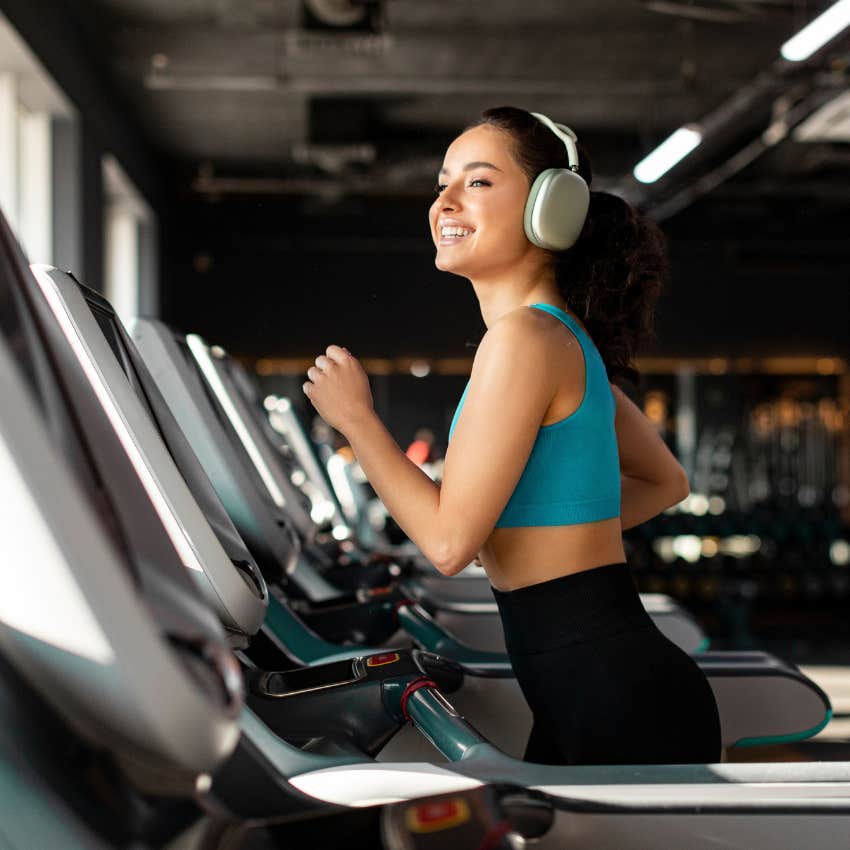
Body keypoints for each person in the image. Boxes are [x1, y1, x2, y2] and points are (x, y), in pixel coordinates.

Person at [302, 105, 721, 766]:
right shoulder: (560, 337)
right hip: (600, 686)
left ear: (550, 208)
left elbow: (447, 545)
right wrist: (526, 540)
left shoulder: (524, 339)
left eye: (477, 181)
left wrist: (356, 419)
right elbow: (665, 482)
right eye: (442, 182)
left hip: (613, 698)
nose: (444, 201)